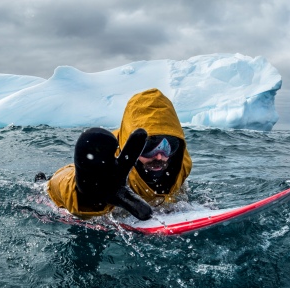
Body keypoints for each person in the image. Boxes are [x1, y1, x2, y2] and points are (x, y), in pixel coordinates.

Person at [47, 88, 192, 220]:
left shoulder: (181, 161)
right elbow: (61, 179)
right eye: (150, 145)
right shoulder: (111, 156)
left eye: (169, 145)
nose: (160, 156)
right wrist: (88, 195)